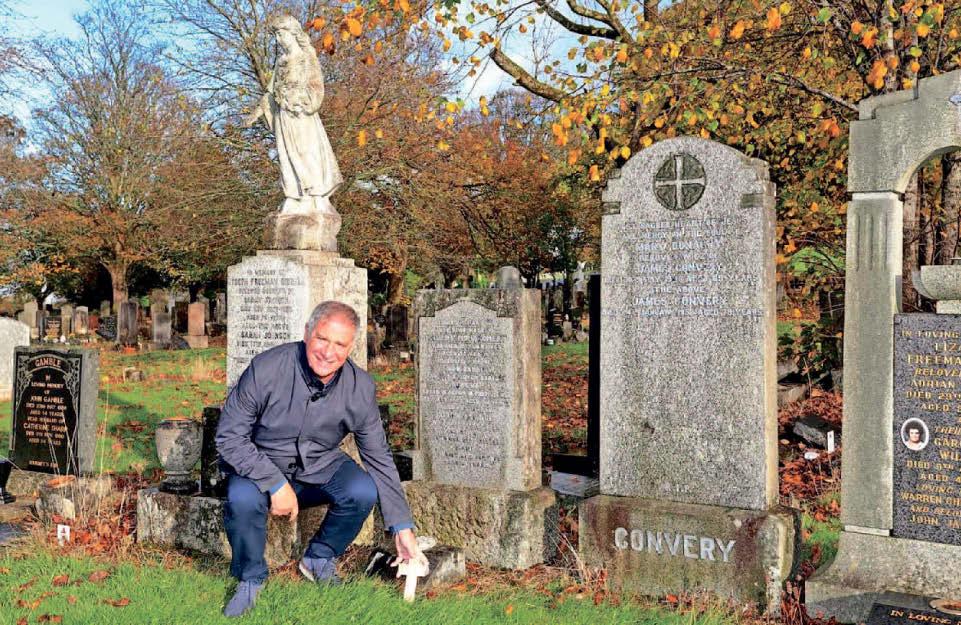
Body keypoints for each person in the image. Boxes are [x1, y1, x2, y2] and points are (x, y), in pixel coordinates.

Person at [217, 300, 425, 617]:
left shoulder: (360, 387)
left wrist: (402, 527)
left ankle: (319, 557)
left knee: (361, 490)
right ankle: (251, 578)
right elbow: (229, 437)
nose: (328, 352)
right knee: (242, 499)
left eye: (339, 344)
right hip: (259, 465)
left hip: (319, 466)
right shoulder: (267, 368)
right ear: (307, 333)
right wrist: (274, 483)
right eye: (322, 339)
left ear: (351, 347)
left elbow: (379, 457)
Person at [244, 15, 343, 214]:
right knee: (286, 156)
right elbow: (271, 92)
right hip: (283, 117)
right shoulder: (281, 62)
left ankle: (316, 198)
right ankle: (294, 196)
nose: (279, 40)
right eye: (276, 36)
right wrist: (257, 111)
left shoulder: (306, 56)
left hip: (301, 115)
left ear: (293, 33)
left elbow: (316, 87)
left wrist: (303, 102)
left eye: (282, 34)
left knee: (307, 153)